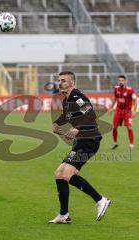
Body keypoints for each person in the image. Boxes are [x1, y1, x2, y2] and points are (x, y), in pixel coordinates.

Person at [49, 71, 111, 224]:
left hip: (89, 140)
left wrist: (78, 129)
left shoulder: (77, 97)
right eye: (59, 80)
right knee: (59, 174)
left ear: (72, 82)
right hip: (81, 141)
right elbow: (66, 116)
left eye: (63, 80)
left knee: (67, 174)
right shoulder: (67, 100)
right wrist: (57, 123)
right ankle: (64, 215)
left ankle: (101, 200)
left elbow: (89, 112)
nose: (60, 82)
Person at [109, 75, 137, 150]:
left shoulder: (129, 90)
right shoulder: (116, 88)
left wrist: (134, 110)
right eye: (119, 80)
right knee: (114, 127)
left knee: (129, 127)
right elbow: (115, 98)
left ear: (125, 81)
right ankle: (115, 143)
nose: (120, 82)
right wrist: (111, 107)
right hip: (118, 111)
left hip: (127, 112)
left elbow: (135, 99)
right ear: (118, 81)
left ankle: (131, 144)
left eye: (122, 80)